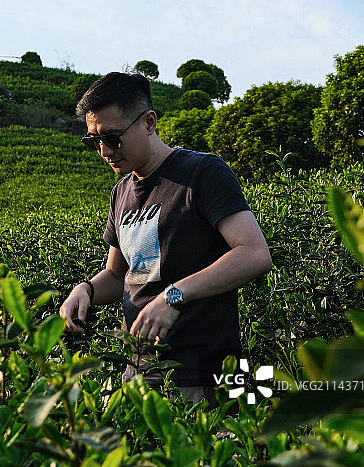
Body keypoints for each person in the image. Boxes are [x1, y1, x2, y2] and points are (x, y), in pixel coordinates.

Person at [60, 71, 272, 406]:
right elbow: (119, 275)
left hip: (204, 376)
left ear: (148, 122)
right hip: (139, 376)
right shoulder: (121, 193)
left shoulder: (202, 173)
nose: (104, 151)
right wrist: (85, 289)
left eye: (112, 138)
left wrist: (173, 295)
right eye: (93, 141)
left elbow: (254, 253)